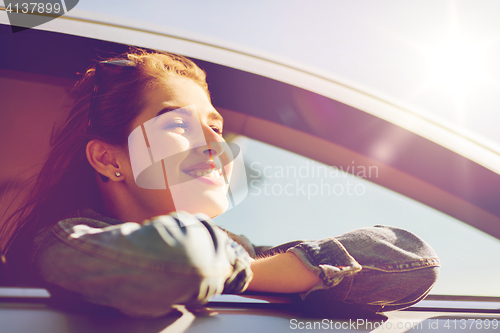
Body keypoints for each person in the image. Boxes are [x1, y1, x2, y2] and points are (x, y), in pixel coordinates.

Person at [0, 48, 440, 318]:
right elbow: (183, 260)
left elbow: (412, 259)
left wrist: (247, 270)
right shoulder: (66, 241)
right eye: (176, 123)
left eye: (216, 126)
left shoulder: (239, 252)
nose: (214, 144)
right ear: (108, 158)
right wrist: (285, 274)